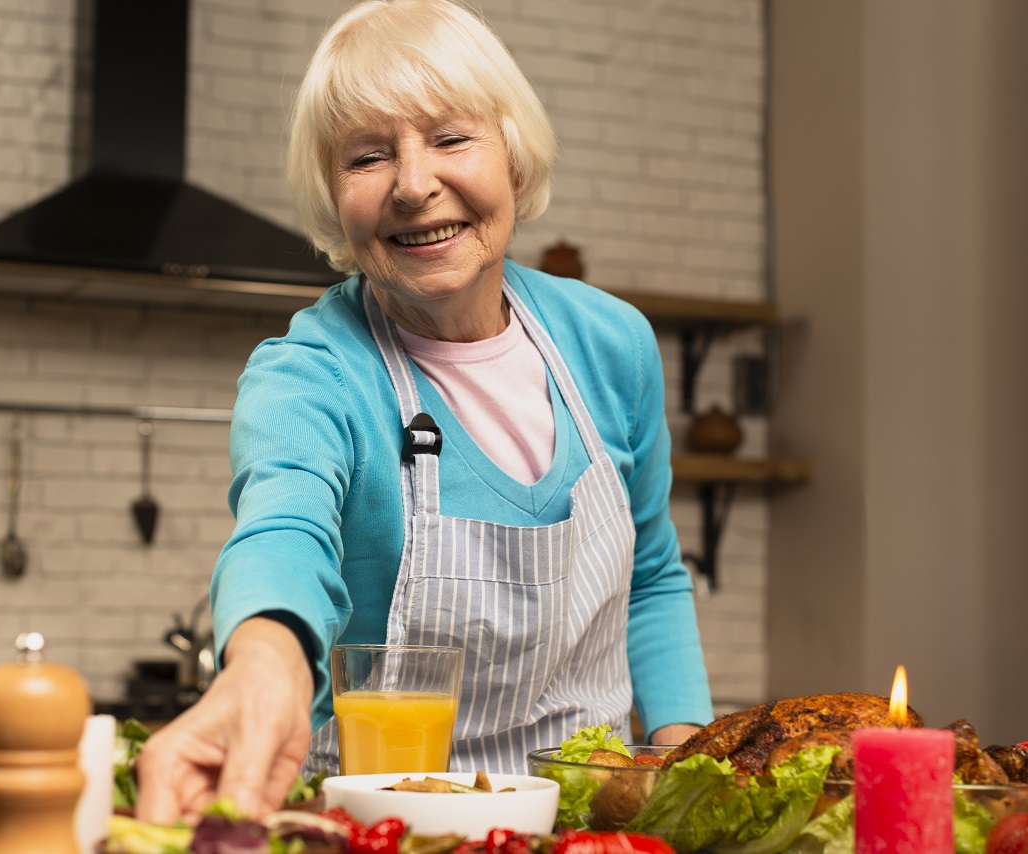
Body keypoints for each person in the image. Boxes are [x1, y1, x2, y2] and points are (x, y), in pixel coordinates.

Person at [136, 0, 712, 825]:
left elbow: (652, 577)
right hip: (380, 833)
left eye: (451, 138)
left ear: (512, 156)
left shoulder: (611, 344)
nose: (413, 185)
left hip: (593, 832)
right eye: (368, 157)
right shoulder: (311, 374)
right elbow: (280, 532)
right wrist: (263, 663)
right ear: (334, 199)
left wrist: (683, 769)